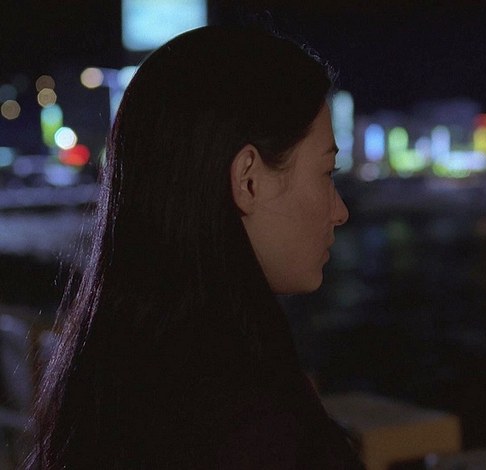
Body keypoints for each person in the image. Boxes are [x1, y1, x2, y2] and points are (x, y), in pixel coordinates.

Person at [25, 25, 362, 469]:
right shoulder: (247, 417)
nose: (340, 211)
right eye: (326, 173)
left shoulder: (107, 367)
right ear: (248, 180)